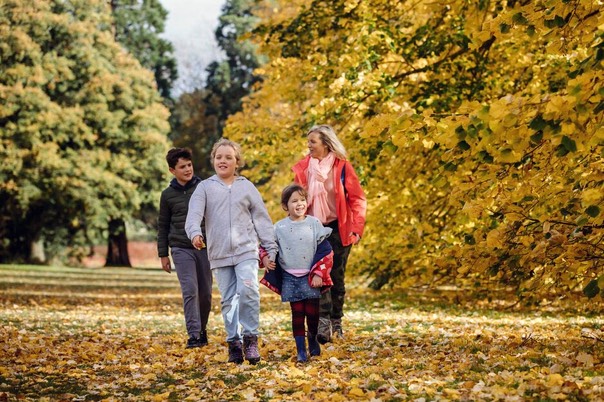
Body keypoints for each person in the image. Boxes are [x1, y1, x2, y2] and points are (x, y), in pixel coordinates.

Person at [185, 138, 278, 364]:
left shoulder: (246, 186)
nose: (223, 161)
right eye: (219, 157)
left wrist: (270, 247)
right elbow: (194, 216)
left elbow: (262, 219)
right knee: (228, 300)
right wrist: (195, 234)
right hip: (219, 253)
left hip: (246, 249)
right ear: (213, 161)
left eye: (228, 157)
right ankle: (233, 342)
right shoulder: (205, 187)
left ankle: (251, 338)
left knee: (249, 291)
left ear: (237, 162)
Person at [292, 124, 367, 343]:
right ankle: (322, 323)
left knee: (336, 277)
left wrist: (356, 229)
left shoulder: (342, 167)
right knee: (319, 275)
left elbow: (358, 199)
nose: (309, 146)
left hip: (339, 228)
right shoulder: (304, 168)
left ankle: (336, 322)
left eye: (312, 142)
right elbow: (297, 198)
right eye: (308, 142)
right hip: (313, 229)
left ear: (325, 143)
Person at [260, 184, 333, 362]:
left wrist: (318, 273)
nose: (299, 204)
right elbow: (267, 246)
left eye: (302, 200)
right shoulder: (279, 228)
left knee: (312, 313)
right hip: (290, 276)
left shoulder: (314, 224)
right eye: (294, 201)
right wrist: (265, 259)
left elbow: (325, 250)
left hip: (310, 276)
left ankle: (313, 339)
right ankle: (301, 349)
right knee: (298, 313)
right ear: (286, 206)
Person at [157, 147, 213, 349]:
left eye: (189, 165)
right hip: (181, 248)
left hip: (204, 246)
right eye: (182, 167)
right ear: (173, 170)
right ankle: (194, 335)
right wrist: (163, 254)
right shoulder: (168, 195)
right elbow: (163, 225)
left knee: (205, 293)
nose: (188, 169)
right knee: (190, 290)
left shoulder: (205, 188)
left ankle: (202, 329)